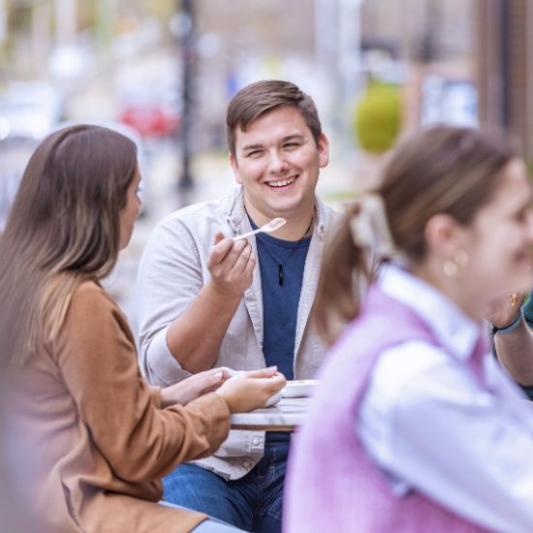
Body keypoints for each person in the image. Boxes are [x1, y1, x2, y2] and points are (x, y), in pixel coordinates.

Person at [0, 125, 285, 533]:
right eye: (134, 192)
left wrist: (166, 397)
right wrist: (225, 404)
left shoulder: (23, 283)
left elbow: (63, 402)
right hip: (77, 510)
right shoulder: (80, 302)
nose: (138, 207)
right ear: (104, 205)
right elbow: (139, 450)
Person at [284, 125, 533, 532]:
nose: (531, 231)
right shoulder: (414, 375)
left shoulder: (434, 343)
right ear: (447, 237)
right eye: (517, 216)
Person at [135, 79, 341, 532]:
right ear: (234, 165)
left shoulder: (357, 246)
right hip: (205, 458)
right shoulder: (184, 235)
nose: (277, 165)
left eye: (291, 145)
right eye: (256, 152)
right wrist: (221, 294)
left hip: (315, 459)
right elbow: (162, 375)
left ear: (321, 149)